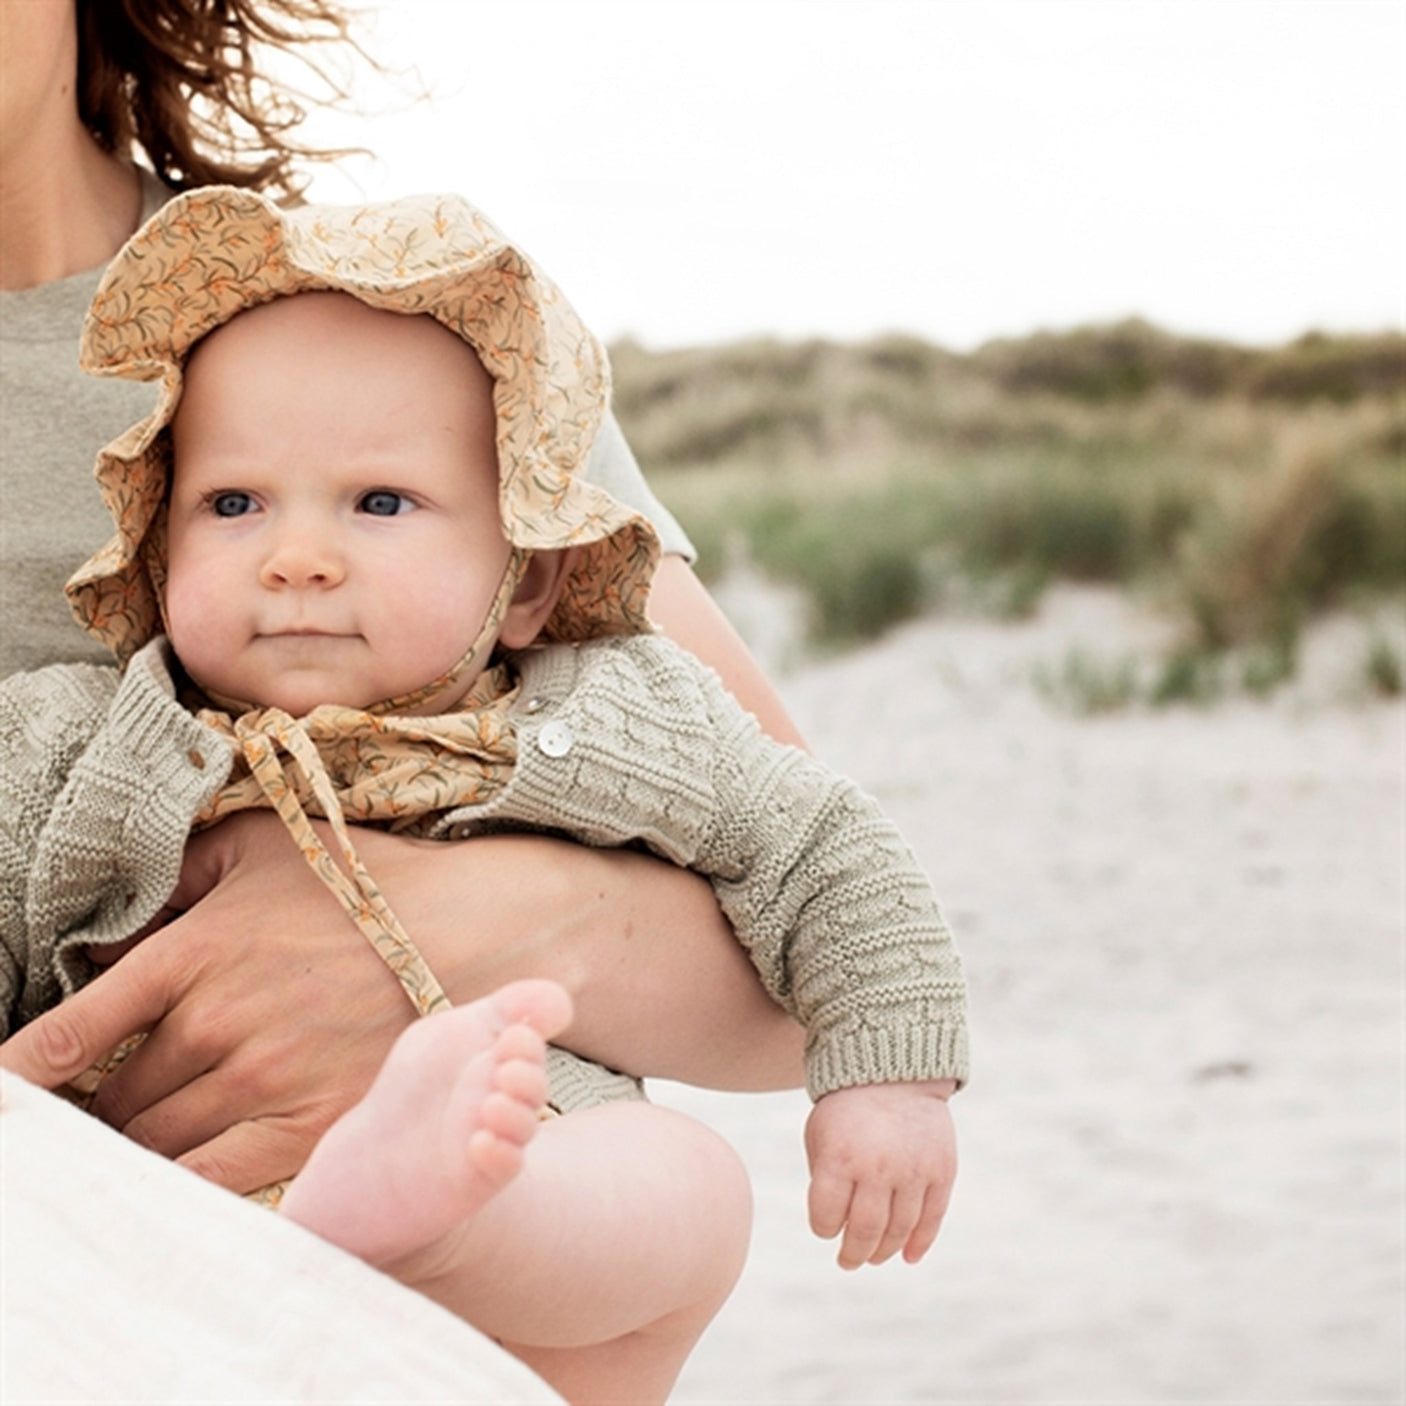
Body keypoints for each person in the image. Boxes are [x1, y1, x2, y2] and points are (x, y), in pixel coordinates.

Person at [0, 186, 968, 1403]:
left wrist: (891, 1077)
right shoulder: (77, 742)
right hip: (145, 1199)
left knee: (691, 1187)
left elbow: (820, 844)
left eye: (379, 503)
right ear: (155, 548)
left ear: (527, 582)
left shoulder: (614, 713)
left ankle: (433, 1213)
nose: (296, 557)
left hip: (514, 1163)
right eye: (233, 504)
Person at [0, 0, 812, 1199]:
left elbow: (801, 977)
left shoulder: (373, 321)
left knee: (692, 1192)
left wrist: (428, 928)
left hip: (417, 1266)